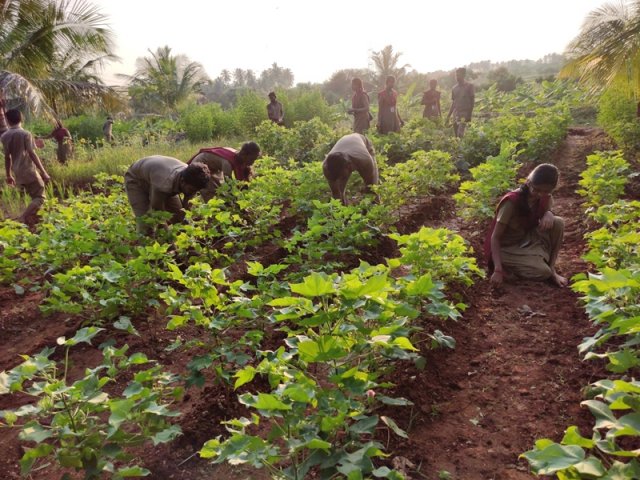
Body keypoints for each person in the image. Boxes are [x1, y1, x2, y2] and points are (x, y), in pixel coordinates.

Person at [485, 163, 567, 287]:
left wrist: (549, 213)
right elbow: (495, 237)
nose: (540, 194)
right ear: (528, 183)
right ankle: (525, 266)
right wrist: (497, 269)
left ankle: (551, 268)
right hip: (505, 249)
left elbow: (548, 206)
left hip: (525, 240)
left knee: (558, 222)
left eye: (546, 191)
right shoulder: (511, 202)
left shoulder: (546, 197)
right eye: (537, 190)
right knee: (542, 272)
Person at [124, 156, 210, 234]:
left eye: (196, 191)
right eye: (192, 190)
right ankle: (146, 244)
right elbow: (158, 213)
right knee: (146, 223)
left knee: (177, 216)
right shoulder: (163, 185)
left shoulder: (193, 178)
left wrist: (184, 222)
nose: (193, 193)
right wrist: (170, 240)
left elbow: (185, 208)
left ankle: (167, 240)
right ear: (182, 181)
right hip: (136, 179)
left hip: (157, 176)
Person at [1, 109, 51, 223]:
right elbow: (31, 153)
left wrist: (9, 175)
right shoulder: (25, 134)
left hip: (17, 171)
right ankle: (23, 217)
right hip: (29, 170)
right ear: (21, 119)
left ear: (8, 121)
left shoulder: (4, 136)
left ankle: (36, 219)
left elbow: (7, 157)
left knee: (34, 197)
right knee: (40, 197)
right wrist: (43, 172)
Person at [188, 142, 260, 201]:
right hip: (200, 165)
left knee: (218, 190)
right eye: (251, 159)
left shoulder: (239, 158)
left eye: (254, 160)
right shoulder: (228, 163)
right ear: (244, 155)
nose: (252, 163)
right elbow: (229, 185)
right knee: (211, 194)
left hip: (214, 168)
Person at [322, 133, 378, 205]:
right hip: (347, 143)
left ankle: (376, 212)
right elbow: (335, 193)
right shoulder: (327, 167)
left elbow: (370, 185)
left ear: (349, 166)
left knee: (373, 189)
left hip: (363, 143)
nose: (340, 178)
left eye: (342, 176)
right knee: (338, 192)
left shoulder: (365, 160)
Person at [446, 67, 475, 138]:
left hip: (464, 113)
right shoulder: (454, 88)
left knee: (460, 133)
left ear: (463, 75)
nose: (457, 77)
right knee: (456, 135)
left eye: (458, 75)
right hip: (456, 113)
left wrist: (470, 114)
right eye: (456, 75)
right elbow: (453, 103)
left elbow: (472, 101)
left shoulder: (469, 86)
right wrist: (448, 116)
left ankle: (462, 146)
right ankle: (459, 148)